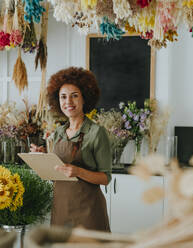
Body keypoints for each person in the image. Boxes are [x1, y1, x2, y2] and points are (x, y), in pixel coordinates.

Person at [30, 67, 112, 231]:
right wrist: (43, 157)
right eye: (63, 97)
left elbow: (105, 178)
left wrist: (78, 172)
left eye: (74, 96)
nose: (68, 102)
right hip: (61, 208)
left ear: (84, 99)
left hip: (88, 211)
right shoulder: (58, 133)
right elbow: (56, 171)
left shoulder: (96, 133)